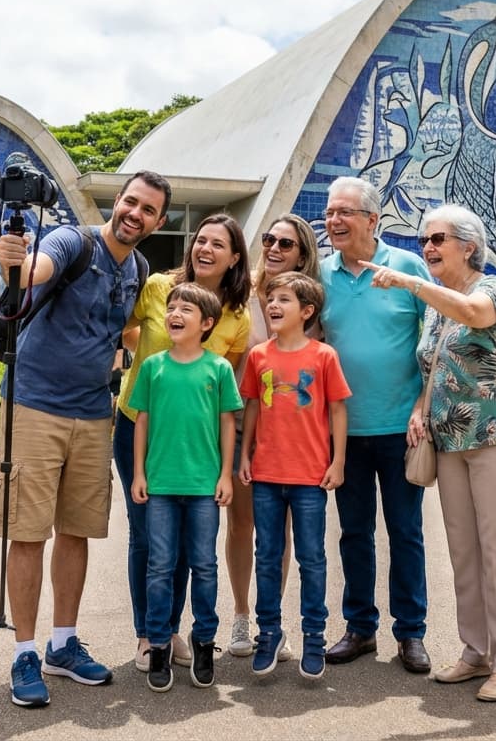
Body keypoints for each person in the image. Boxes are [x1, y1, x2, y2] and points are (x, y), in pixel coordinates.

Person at [0, 170, 171, 709]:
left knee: (77, 530)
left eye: (148, 210)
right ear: (117, 202)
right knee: (27, 530)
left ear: (159, 223)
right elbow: (35, 271)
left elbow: (128, 331)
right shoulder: (74, 241)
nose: (135, 213)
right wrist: (16, 261)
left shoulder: (139, 269)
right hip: (34, 405)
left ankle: (62, 644)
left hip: (96, 413)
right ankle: (25, 652)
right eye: (130, 201)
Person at [362, 203, 496, 702]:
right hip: (450, 440)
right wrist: (420, 408)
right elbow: (433, 368)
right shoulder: (439, 308)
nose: (429, 248)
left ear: (469, 246)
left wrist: (412, 284)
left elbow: (476, 316)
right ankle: (475, 651)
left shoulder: (489, 288)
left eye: (438, 239)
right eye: (425, 241)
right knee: (464, 552)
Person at [112, 212, 251, 673]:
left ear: (234, 258)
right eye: (200, 240)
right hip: (140, 425)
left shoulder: (237, 316)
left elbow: (223, 388)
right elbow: (124, 327)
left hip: (196, 443)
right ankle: (151, 635)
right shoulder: (157, 288)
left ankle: (174, 627)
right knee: (148, 539)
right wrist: (143, 357)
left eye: (217, 244)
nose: (205, 249)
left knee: (191, 545)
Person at [319, 176, 433, 674]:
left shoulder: (408, 269)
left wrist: (421, 407)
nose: (334, 221)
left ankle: (411, 634)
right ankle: (360, 628)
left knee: (405, 531)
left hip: (400, 429)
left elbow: (439, 344)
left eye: (345, 212)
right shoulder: (319, 274)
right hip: (344, 432)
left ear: (372, 219)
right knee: (353, 533)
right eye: (329, 213)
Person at [129, 283, 242, 693]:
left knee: (204, 565)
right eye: (171, 307)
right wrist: (139, 473)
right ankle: (158, 642)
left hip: (202, 488)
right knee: (160, 565)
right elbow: (140, 421)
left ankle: (204, 639)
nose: (174, 313)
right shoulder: (153, 366)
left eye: (186, 309)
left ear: (207, 323)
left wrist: (225, 474)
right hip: (159, 485)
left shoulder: (218, 369)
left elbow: (228, 423)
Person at [238, 271, 349, 680]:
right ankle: (268, 633)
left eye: (284, 300)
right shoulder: (259, 356)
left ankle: (314, 637)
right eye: (271, 299)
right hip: (266, 474)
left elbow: (338, 410)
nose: (273, 306)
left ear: (307, 311)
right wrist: (245, 454)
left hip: (309, 478)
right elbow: (251, 406)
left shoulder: (323, 356)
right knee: (267, 557)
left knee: (312, 559)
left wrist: (338, 462)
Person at [226, 213, 321, 660]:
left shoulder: (309, 304)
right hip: (242, 426)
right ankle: (242, 617)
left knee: (277, 533)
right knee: (241, 524)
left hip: (286, 435)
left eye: (286, 243)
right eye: (269, 240)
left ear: (302, 253)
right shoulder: (241, 292)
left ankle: (272, 621)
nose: (275, 248)